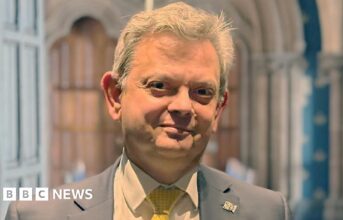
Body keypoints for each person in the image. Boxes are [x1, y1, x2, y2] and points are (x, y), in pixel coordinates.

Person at [5, 2, 290, 220]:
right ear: (115, 95)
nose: (182, 106)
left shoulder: (266, 211)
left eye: (202, 92)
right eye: (159, 85)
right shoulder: (37, 214)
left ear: (218, 108)